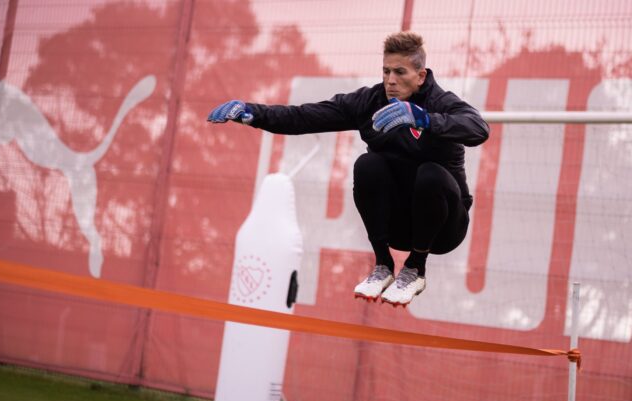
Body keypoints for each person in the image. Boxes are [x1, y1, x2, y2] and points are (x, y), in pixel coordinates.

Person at [207, 31, 489, 307]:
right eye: (386, 71)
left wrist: (424, 119)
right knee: (367, 165)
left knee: (431, 174)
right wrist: (253, 113)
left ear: (421, 76)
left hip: (443, 229)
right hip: (398, 224)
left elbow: (478, 128)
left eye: (400, 72)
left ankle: (416, 268)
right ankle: (383, 264)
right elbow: (304, 117)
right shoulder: (370, 101)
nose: (391, 80)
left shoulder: (439, 103)